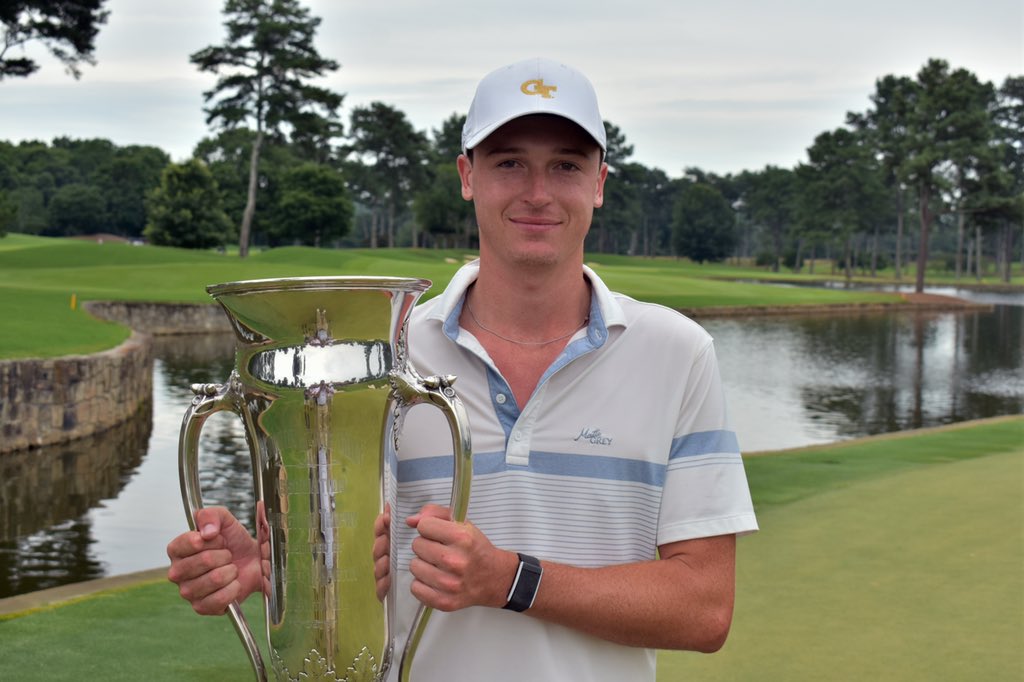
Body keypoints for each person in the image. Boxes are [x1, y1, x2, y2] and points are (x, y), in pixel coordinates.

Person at [167, 57, 758, 682]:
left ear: (599, 182)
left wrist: (510, 580)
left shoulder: (676, 352)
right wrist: (281, 568)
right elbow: (356, 561)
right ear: (467, 175)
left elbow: (704, 608)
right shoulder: (381, 354)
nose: (537, 192)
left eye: (565, 164)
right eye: (508, 162)